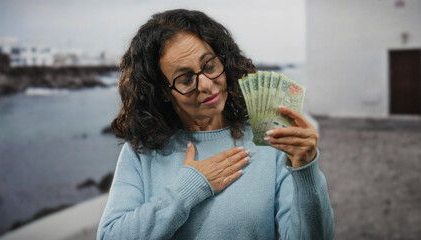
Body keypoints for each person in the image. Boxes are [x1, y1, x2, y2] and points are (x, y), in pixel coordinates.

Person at [97, 9, 334, 240]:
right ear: (162, 93)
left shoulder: (270, 141)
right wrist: (187, 190)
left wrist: (306, 170)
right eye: (185, 78)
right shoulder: (141, 152)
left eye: (209, 65)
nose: (206, 85)